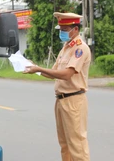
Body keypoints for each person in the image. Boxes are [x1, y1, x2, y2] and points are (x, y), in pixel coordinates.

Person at [23, 12, 91, 161]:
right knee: (65, 144)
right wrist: (34, 67)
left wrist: (39, 69)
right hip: (61, 100)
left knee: (77, 145)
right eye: (60, 29)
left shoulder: (80, 49)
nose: (62, 32)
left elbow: (67, 74)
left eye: (65, 29)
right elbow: (54, 73)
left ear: (75, 29)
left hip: (74, 100)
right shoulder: (66, 48)